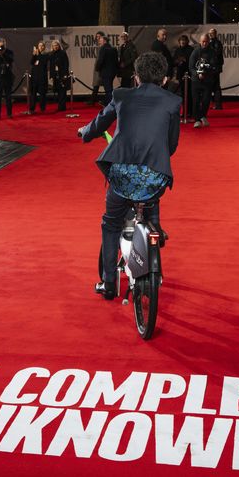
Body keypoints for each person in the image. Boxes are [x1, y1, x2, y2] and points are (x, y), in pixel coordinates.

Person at [78, 52, 181, 300]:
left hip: (123, 175)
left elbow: (99, 124)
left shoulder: (121, 96)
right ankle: (156, 249)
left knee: (111, 223)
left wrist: (85, 133)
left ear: (135, 77)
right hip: (154, 178)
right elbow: (172, 145)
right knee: (151, 208)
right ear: (164, 80)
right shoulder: (172, 102)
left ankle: (109, 283)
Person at [189, 33, 218, 128]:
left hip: (207, 81)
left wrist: (205, 72)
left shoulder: (212, 52)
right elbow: (191, 67)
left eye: (206, 41)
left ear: (209, 41)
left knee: (206, 100)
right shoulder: (195, 52)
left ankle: (203, 116)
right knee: (196, 100)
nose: (204, 43)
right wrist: (197, 74)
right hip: (195, 81)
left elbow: (214, 66)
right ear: (200, 42)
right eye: (203, 41)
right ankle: (197, 120)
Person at [0, 39, 15, 118]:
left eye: (2, 45)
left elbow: (11, 60)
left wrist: (3, 53)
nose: (1, 47)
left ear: (5, 44)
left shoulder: (9, 52)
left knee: (8, 97)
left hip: (7, 77)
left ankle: (9, 113)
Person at [172, 34, 194, 117]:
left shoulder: (191, 49)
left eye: (184, 40)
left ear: (187, 41)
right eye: (181, 40)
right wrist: (178, 61)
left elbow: (192, 62)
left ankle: (190, 112)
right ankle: (185, 112)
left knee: (189, 94)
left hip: (189, 74)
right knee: (183, 94)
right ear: (179, 42)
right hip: (180, 74)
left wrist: (185, 60)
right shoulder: (177, 50)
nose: (182, 42)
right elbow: (173, 62)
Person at [94, 31, 118, 106]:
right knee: (109, 88)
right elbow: (116, 61)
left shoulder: (103, 49)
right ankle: (107, 103)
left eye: (100, 40)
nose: (99, 42)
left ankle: (111, 105)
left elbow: (100, 60)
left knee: (108, 89)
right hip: (113, 72)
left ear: (104, 41)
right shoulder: (113, 49)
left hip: (105, 72)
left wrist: (97, 68)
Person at [48, 40, 70, 112]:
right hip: (55, 75)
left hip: (62, 74)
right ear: (52, 46)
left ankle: (62, 107)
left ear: (59, 45)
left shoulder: (63, 53)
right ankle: (59, 106)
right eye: (54, 45)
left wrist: (65, 74)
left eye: (56, 45)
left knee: (63, 91)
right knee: (57, 90)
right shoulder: (51, 54)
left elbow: (66, 64)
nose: (55, 47)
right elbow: (51, 66)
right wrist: (51, 75)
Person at [28, 41, 49, 113]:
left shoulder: (46, 55)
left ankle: (42, 108)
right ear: (38, 47)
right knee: (33, 94)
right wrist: (34, 55)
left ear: (44, 47)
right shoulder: (35, 55)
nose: (41, 47)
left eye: (42, 46)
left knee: (42, 94)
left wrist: (37, 54)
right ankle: (32, 109)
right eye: (39, 46)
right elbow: (31, 62)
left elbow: (43, 62)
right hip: (34, 77)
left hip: (42, 78)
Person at [207, 27, 225, 109]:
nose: (210, 35)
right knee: (213, 86)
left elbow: (216, 54)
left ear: (215, 34)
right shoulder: (211, 42)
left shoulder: (216, 43)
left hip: (215, 68)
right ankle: (216, 104)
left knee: (216, 86)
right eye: (209, 33)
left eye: (212, 33)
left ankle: (218, 105)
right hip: (212, 67)